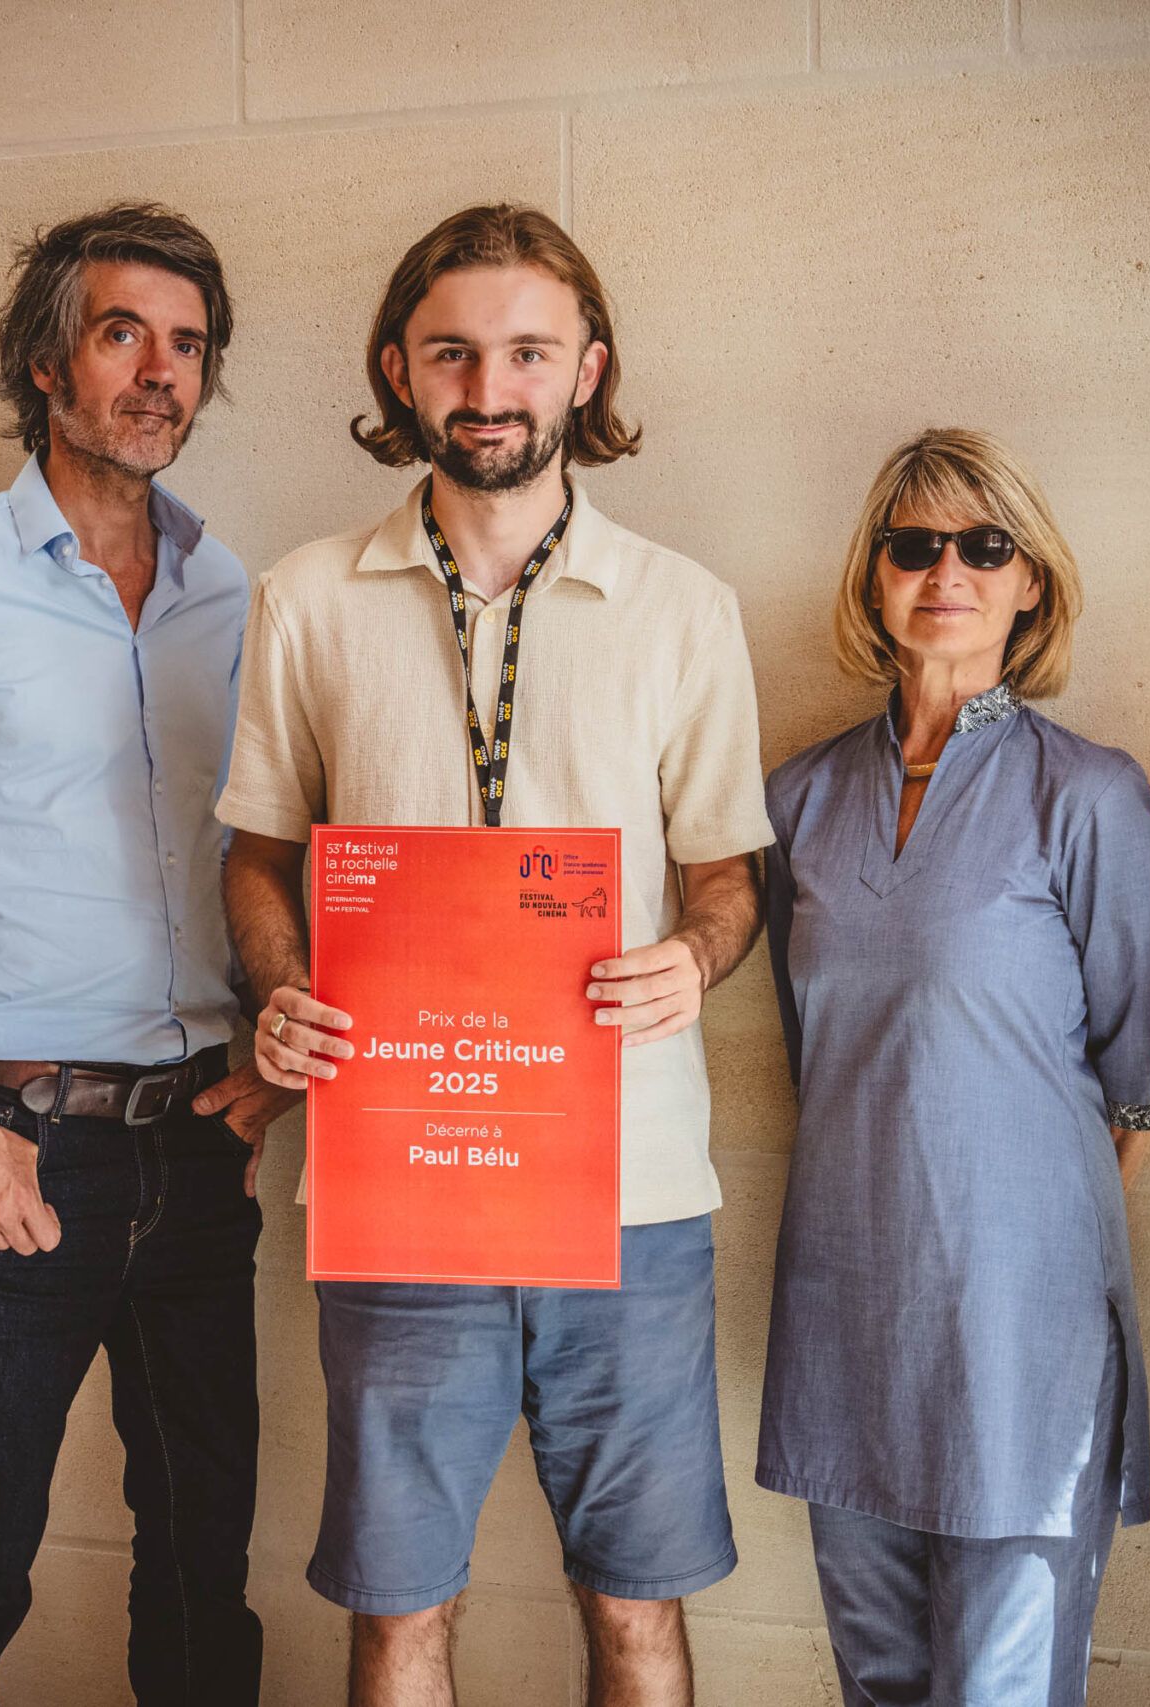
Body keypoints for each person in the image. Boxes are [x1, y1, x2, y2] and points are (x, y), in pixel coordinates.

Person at [220, 203, 771, 1706]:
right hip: (397, 1179)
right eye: (453, 352)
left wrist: (693, 956)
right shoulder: (304, 597)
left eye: (528, 352)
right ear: (398, 369)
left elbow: (729, 876)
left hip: (630, 1183)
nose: (489, 386)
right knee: (399, 1609)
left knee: (637, 1609)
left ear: (587, 370)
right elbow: (257, 855)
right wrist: (279, 987)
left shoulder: (683, 607)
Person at [0, 203, 294, 1705]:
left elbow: (271, 853)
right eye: (121, 333)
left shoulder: (236, 593)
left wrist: (273, 1068)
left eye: (188, 345)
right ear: (46, 362)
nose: (160, 373)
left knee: (204, 1564)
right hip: (16, 1146)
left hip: (200, 1143)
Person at [757, 428, 1150, 1706]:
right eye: (914, 545)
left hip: (1019, 1324)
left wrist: (1015, 1247)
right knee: (877, 1680)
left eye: (985, 546)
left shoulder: (1088, 795)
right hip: (845, 1306)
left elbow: (1137, 1077)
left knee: (1001, 1688)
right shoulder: (795, 801)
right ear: (873, 576)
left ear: (1030, 580)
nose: (947, 571)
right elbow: (812, 1047)